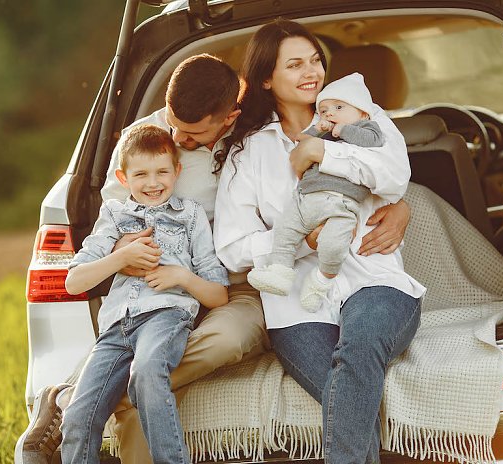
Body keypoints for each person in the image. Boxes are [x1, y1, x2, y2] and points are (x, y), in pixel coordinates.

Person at [22, 53, 411, 464]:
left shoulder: (256, 139)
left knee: (222, 341)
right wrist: (124, 253)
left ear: (229, 118)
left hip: (232, 283)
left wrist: (401, 202)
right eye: (173, 124)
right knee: (145, 378)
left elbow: (349, 170)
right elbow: (112, 219)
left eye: (192, 135)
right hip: (154, 282)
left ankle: (82, 399)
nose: (177, 139)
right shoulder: (142, 139)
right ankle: (111, 391)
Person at [214, 19, 426, 464]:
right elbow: (231, 248)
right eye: (294, 64)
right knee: (347, 393)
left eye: (315, 60)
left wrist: (324, 152)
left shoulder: (363, 116)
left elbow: (394, 175)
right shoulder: (247, 152)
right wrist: (300, 241)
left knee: (358, 353)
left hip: (375, 280)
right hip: (294, 304)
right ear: (266, 79)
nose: (311, 72)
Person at [61, 124, 230, 464]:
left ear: (176, 171)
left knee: (148, 371)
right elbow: (74, 282)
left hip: (166, 316)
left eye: (162, 172)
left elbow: (219, 295)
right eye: (141, 174)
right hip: (115, 329)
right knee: (78, 417)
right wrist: (120, 257)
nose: (153, 183)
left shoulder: (191, 214)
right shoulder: (112, 214)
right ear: (123, 178)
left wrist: (181, 276)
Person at [247, 72, 387, 310]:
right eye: (323, 110)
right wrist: (317, 130)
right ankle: (280, 271)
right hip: (306, 200)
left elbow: (373, 140)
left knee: (334, 245)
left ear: (362, 112)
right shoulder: (323, 131)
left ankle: (321, 280)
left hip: (340, 204)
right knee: (284, 230)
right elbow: (303, 142)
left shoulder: (367, 128)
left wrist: (341, 130)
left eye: (338, 107)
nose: (330, 113)